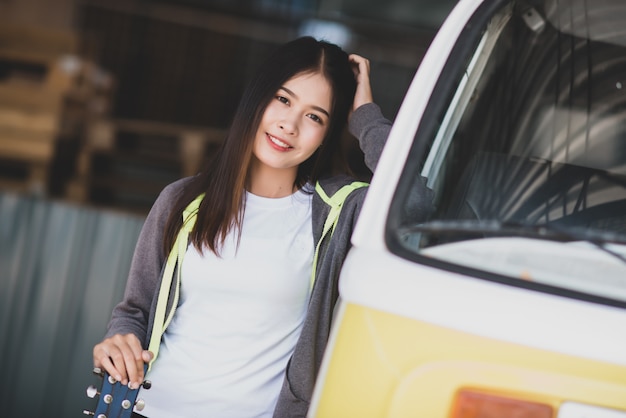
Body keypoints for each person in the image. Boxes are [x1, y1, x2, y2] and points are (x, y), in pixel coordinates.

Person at [93, 36, 431, 417]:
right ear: (257, 98)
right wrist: (118, 341)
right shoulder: (183, 201)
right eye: (283, 100)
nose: (290, 124)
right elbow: (134, 312)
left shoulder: (337, 212)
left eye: (315, 116)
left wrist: (365, 114)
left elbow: (414, 202)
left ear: (328, 133)